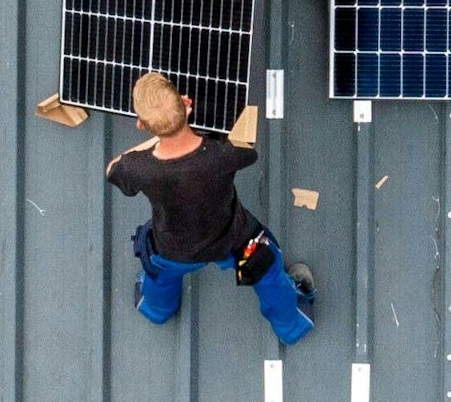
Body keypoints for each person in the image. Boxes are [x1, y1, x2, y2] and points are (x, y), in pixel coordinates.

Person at [106, 72, 315, 344]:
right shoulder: (223, 155)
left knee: (158, 271)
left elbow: (113, 169)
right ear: (186, 103)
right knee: (267, 269)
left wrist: (158, 136)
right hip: (233, 239)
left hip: (173, 249)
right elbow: (248, 150)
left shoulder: (139, 168)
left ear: (141, 124)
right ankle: (292, 326)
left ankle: (156, 310)